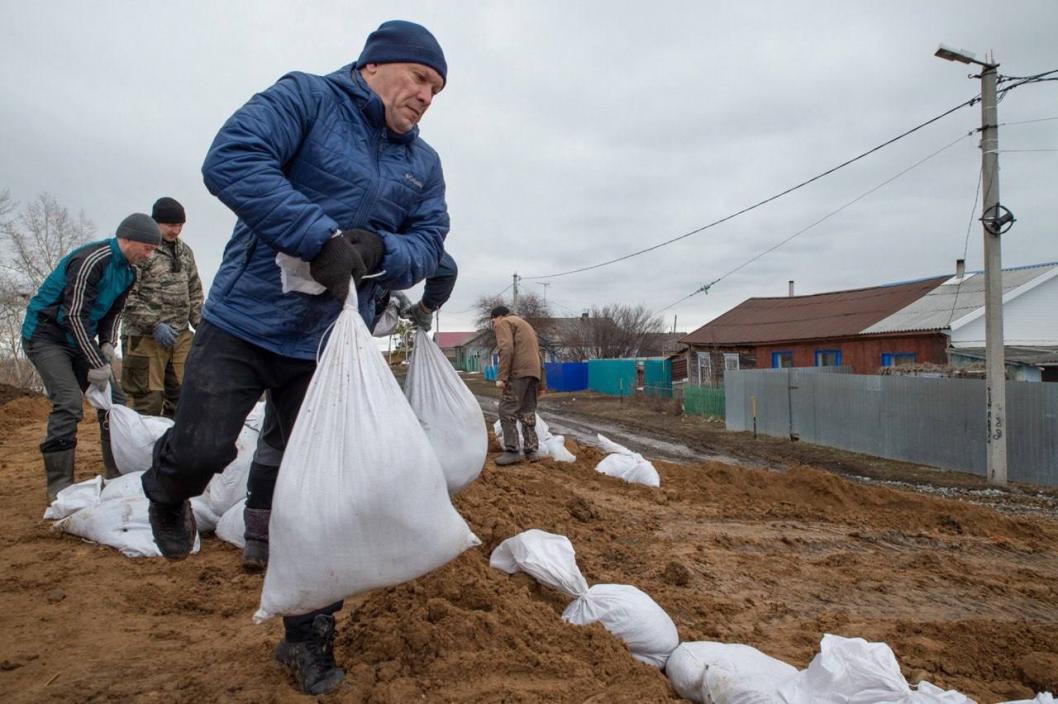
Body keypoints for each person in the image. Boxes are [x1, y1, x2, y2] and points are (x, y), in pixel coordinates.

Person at [140, 20, 450, 695]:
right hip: (244, 323)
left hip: (328, 347)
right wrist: (317, 235)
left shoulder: (421, 164)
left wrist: (377, 251)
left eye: (438, 88)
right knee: (200, 447)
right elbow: (233, 158)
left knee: (322, 499)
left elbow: (429, 240)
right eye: (420, 78)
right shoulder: (306, 99)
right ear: (375, 65)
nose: (428, 95)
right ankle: (165, 489)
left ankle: (306, 638)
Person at [241, 249, 458, 574]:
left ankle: (258, 540)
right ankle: (329, 536)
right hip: (338, 362)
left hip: (288, 348)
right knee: (338, 446)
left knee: (277, 442)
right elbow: (446, 268)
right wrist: (424, 307)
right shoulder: (386, 242)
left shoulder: (302, 231)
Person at [22, 214, 161, 498]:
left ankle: (116, 471)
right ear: (128, 238)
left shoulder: (130, 272)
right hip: (47, 335)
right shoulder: (92, 260)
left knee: (116, 403)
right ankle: (59, 484)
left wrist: (108, 343)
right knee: (69, 401)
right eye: (147, 248)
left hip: (80, 338)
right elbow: (73, 314)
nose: (150, 254)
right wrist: (96, 360)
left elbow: (115, 312)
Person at [120, 197, 203, 417]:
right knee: (147, 401)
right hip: (144, 337)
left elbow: (194, 291)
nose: (176, 230)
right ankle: (142, 450)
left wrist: (201, 325)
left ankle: (175, 448)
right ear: (156, 222)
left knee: (187, 396)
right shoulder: (141, 250)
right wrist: (154, 324)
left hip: (180, 335)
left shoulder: (185, 252)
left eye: (179, 225)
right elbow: (126, 296)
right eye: (170, 225)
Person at [491, 305, 546, 466]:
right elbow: (539, 355)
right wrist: (542, 383)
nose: (494, 325)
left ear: (498, 317)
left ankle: (512, 450)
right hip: (533, 373)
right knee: (527, 412)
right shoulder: (526, 325)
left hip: (518, 373)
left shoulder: (505, 323)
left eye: (493, 321)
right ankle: (531, 450)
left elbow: (506, 348)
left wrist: (502, 376)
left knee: (506, 410)